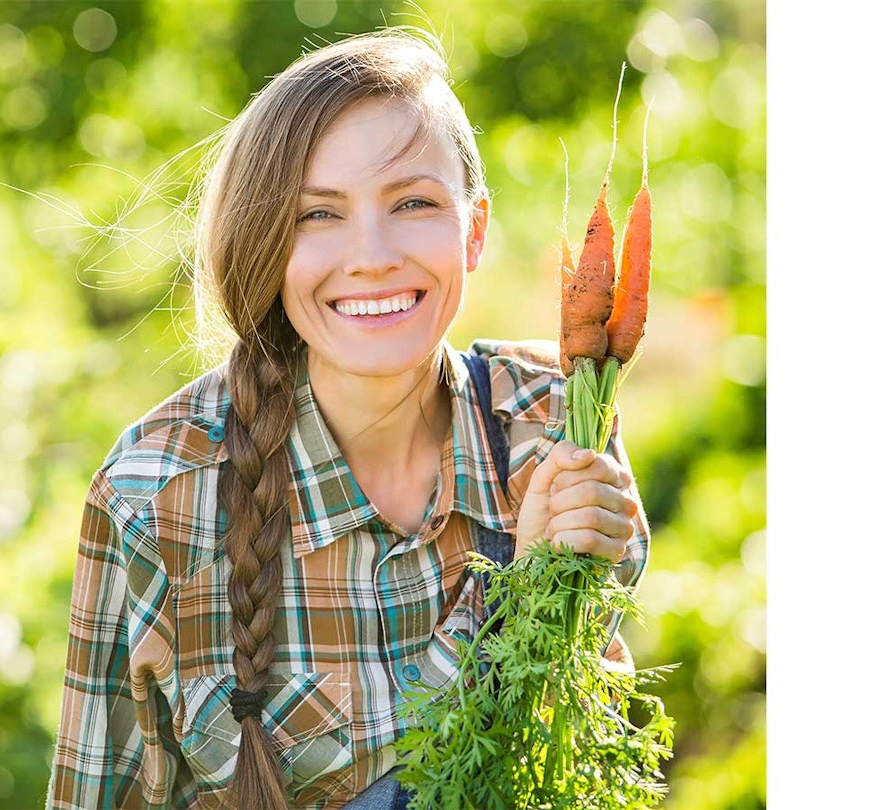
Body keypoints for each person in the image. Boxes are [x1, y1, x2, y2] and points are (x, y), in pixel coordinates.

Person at [46, 28, 648, 810]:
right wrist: (511, 593)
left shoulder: (554, 417)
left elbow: (581, 738)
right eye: (318, 215)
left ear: (473, 229)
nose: (371, 254)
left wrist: (590, 574)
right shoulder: (159, 496)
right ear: (263, 244)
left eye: (412, 203)